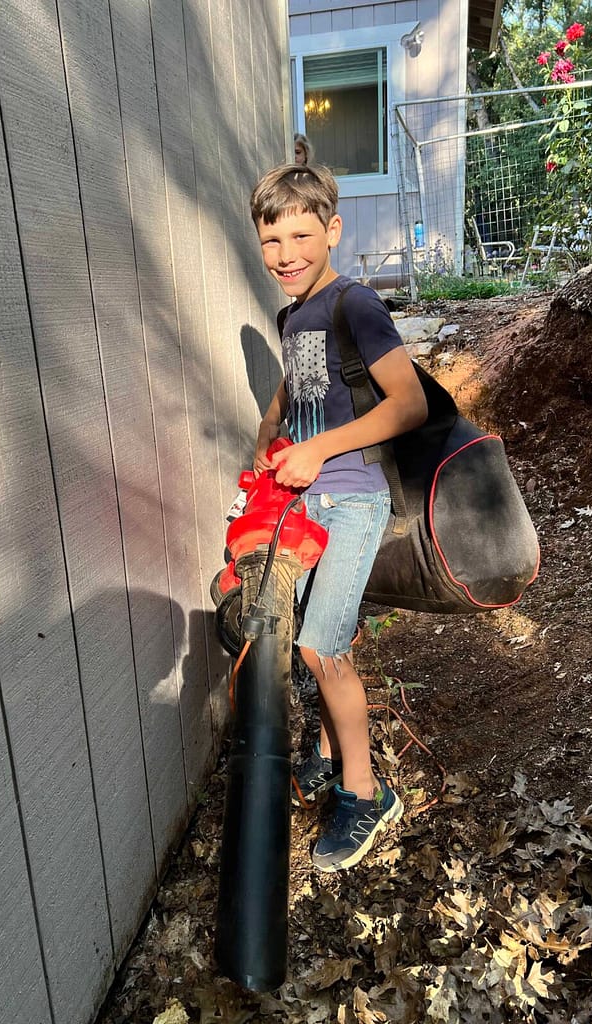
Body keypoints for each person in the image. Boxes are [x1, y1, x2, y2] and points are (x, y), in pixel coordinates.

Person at [249, 163, 428, 872]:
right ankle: (326, 748)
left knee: (322, 648)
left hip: (353, 499)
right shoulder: (293, 315)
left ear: (332, 231)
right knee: (308, 639)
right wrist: (269, 430)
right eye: (272, 239)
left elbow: (408, 404)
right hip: (307, 505)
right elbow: (296, 383)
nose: (285, 253)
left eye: (301, 236)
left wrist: (318, 448)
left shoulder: (356, 304)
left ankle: (366, 792)